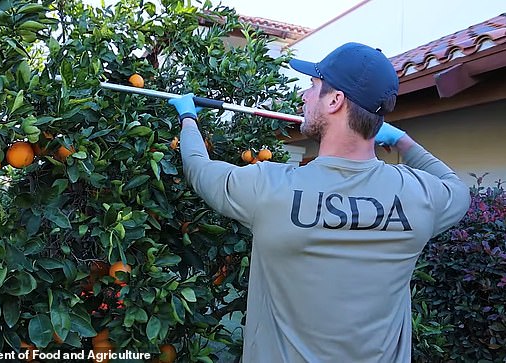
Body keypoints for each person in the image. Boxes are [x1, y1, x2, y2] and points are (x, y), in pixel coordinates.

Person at [168, 42, 470, 363]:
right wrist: (403, 141)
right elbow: (457, 188)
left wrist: (188, 118)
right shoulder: (420, 195)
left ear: (335, 100)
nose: (304, 96)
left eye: (313, 87)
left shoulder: (269, 186)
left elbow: (200, 170)